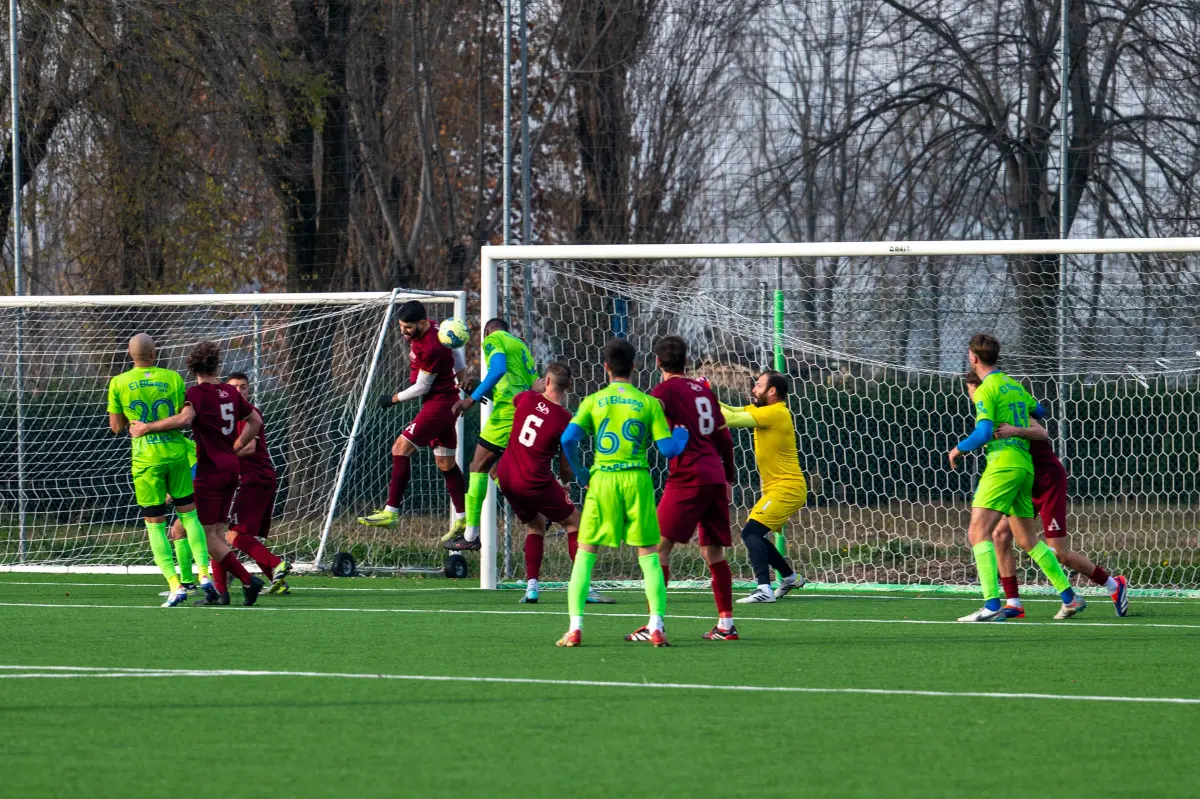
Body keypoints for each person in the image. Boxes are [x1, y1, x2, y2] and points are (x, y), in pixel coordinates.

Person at [556, 338, 688, 647]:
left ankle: (575, 627)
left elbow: (567, 440)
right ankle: (656, 625)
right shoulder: (648, 403)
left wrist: (581, 472)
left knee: (586, 553)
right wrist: (681, 436)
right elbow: (668, 450)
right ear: (634, 367)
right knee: (649, 556)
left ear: (605, 368)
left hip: (602, 480)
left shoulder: (592, 401)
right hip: (637, 480)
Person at [964, 372, 1129, 617]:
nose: (973, 397)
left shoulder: (1011, 410)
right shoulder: (993, 410)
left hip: (1046, 480)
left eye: (972, 391)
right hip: (1023, 481)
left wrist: (1014, 431)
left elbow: (1042, 432)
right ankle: (1014, 603)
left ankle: (1113, 585)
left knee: (1059, 552)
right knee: (999, 535)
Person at [948, 334, 1084, 622]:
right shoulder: (1013, 385)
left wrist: (958, 449)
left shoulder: (986, 390)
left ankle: (991, 604)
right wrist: (1017, 415)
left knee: (977, 533)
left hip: (1003, 466)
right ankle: (1069, 597)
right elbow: (1040, 410)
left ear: (973, 357)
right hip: (1025, 467)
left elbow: (984, 433)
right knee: (1028, 540)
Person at [459, 361, 611, 604]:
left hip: (506, 476)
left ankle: (532, 587)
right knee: (576, 523)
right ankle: (584, 587)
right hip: (534, 480)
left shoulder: (527, 399)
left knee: (536, 525)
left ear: (546, 381)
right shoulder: (565, 418)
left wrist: (534, 389)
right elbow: (564, 465)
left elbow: (517, 399)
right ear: (569, 386)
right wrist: (565, 483)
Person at [131, 340, 266, 606]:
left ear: (191, 366)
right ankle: (222, 593)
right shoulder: (230, 391)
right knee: (216, 531)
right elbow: (256, 421)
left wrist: (148, 427)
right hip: (231, 467)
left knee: (203, 535)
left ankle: (249, 580)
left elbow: (183, 420)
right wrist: (237, 444)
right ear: (217, 364)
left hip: (210, 470)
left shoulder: (196, 394)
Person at [106, 333, 214, 607]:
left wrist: (134, 422)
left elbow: (116, 427)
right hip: (177, 454)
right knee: (189, 516)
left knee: (155, 524)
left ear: (131, 355)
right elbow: (180, 416)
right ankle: (203, 575)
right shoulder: (173, 378)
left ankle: (175, 586)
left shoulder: (119, 382)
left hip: (146, 460)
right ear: (154, 353)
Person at [649, 336, 739, 639]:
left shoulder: (663, 391)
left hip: (688, 476)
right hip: (714, 475)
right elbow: (723, 437)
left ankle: (655, 625)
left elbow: (651, 416)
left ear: (658, 362)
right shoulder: (703, 389)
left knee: (657, 548)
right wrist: (729, 478)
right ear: (686, 360)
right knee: (713, 553)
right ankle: (726, 625)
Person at [358, 301, 469, 539]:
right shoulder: (434, 328)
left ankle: (391, 512)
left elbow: (422, 386)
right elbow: (456, 353)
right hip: (445, 401)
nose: (403, 331)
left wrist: (393, 399)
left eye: (408, 327)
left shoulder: (431, 347)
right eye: (400, 326)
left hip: (438, 404)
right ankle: (462, 518)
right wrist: (462, 383)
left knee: (400, 447)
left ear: (421, 323)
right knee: (446, 464)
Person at [444, 318, 538, 551]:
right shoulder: (520, 345)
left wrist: (471, 399)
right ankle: (535, 510)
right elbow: (529, 386)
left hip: (506, 413)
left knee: (477, 466)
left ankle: (470, 535)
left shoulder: (494, 339)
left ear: (487, 332)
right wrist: (479, 389)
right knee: (498, 471)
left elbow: (498, 369)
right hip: (524, 411)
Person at [720, 371, 809, 604]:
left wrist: (695, 398)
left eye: (758, 385)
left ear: (772, 391)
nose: (753, 390)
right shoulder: (764, 411)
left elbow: (729, 419)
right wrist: (704, 396)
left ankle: (764, 589)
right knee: (756, 534)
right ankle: (790, 577)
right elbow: (733, 410)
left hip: (787, 488)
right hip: (777, 488)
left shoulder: (776, 412)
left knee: (750, 533)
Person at [225, 372, 291, 595]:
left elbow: (250, 448)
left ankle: (275, 563)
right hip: (257, 479)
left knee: (233, 536)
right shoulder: (229, 416)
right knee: (242, 534)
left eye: (243, 387)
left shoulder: (247, 414)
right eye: (234, 387)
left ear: (248, 390)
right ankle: (277, 579)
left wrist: (222, 456)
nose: (239, 391)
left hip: (254, 479)